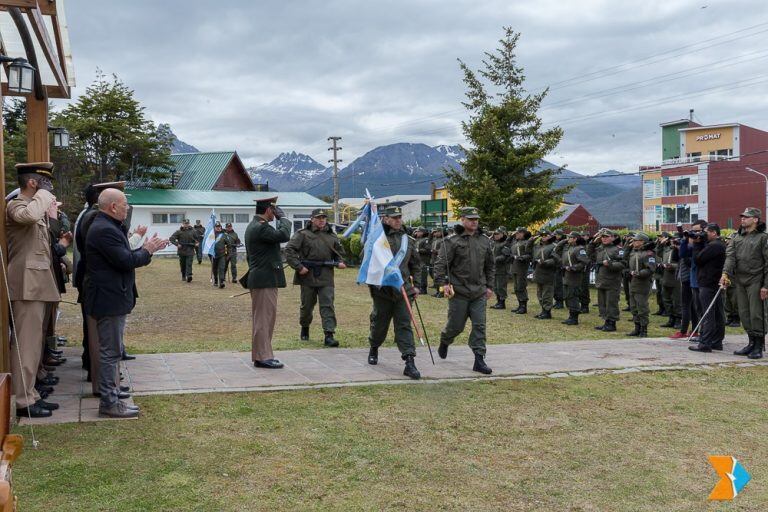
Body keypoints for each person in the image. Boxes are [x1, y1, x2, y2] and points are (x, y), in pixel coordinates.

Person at [85, 188, 167, 418]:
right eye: (124, 205)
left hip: (110, 297)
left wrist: (144, 249)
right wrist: (148, 250)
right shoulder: (104, 230)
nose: (127, 209)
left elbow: (123, 256)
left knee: (112, 351)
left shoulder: (107, 226)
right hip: (108, 299)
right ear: (113, 207)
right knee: (110, 353)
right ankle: (109, 403)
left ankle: (112, 399)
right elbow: (125, 260)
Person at [5, 163, 66, 418]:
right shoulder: (16, 205)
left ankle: (31, 393)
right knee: (26, 346)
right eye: (45, 184)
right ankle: (23, 400)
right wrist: (43, 196)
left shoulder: (35, 208)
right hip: (26, 286)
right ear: (33, 183)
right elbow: (28, 217)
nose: (50, 190)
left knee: (34, 346)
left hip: (37, 285)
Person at [434, 207, 494, 374]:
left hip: (479, 291)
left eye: (476, 219)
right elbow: (440, 265)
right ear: (462, 220)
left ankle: (479, 359)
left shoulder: (484, 240)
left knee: (479, 325)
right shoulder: (451, 241)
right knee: (456, 326)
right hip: (459, 291)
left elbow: (490, 265)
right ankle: (445, 340)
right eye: (470, 219)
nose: (474, 221)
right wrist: (443, 284)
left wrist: (490, 286)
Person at [366, 206, 422, 379]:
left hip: (403, 290)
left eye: (399, 217)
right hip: (382, 290)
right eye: (394, 217)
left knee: (404, 324)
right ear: (386, 219)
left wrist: (417, 285)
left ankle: (409, 361)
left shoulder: (409, 240)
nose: (398, 220)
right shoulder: (377, 239)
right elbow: (367, 261)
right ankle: (374, 347)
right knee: (379, 324)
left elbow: (416, 265)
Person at [284, 208, 347, 347]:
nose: (322, 220)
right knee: (307, 306)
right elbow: (289, 250)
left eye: (324, 217)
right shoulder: (302, 234)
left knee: (327, 305)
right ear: (312, 219)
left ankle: (329, 335)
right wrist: (299, 267)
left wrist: (340, 262)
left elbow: (340, 253)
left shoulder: (332, 236)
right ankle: (305, 327)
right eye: (318, 218)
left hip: (326, 275)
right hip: (308, 274)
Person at [244, 197, 292, 368]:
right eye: (275, 210)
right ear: (269, 210)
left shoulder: (255, 226)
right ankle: (262, 356)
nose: (276, 213)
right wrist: (284, 219)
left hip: (263, 278)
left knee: (265, 318)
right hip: (264, 279)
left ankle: (263, 354)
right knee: (264, 320)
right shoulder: (260, 227)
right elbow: (284, 235)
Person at [721, 207, 768, 359]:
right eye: (742, 216)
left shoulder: (763, 237)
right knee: (744, 313)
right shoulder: (737, 237)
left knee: (756, 313)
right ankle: (751, 342)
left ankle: (759, 345)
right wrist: (725, 273)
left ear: (755, 219)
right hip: (739, 279)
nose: (742, 219)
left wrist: (766, 285)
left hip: (756, 279)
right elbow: (730, 256)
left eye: (747, 217)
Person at [690, 224, 726, 352]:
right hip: (712, 282)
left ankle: (705, 343)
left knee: (708, 313)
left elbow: (698, 259)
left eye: (706, 232)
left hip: (708, 283)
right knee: (716, 312)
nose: (703, 235)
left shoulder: (715, 246)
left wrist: (697, 244)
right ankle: (716, 341)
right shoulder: (717, 245)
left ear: (714, 233)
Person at [593, 229, 625, 332]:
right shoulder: (600, 248)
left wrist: (610, 264)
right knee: (602, 303)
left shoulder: (617, 249)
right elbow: (590, 255)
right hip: (601, 279)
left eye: (607, 236)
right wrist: (593, 242)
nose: (604, 238)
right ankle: (606, 322)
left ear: (612, 237)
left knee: (611, 303)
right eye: (603, 237)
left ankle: (612, 323)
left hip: (612, 281)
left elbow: (623, 264)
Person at [626, 232, 657, 337]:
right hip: (633, 283)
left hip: (642, 283)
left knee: (642, 307)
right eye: (633, 240)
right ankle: (637, 327)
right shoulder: (634, 252)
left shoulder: (648, 254)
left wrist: (638, 273)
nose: (633, 242)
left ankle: (644, 329)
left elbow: (650, 269)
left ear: (642, 242)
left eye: (635, 240)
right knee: (634, 307)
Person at [560, 232, 590, 326]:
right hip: (567, 275)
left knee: (573, 295)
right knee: (567, 295)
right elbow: (557, 250)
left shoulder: (579, 249)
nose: (568, 239)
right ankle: (571, 315)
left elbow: (585, 262)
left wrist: (574, 267)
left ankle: (574, 317)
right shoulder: (569, 248)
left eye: (570, 237)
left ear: (575, 238)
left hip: (574, 276)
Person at [531, 229, 558, 320]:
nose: (544, 237)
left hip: (548, 273)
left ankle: (547, 312)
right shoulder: (538, 246)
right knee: (540, 293)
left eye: (546, 235)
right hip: (539, 272)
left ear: (551, 236)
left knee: (547, 293)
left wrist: (546, 262)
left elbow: (555, 259)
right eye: (542, 236)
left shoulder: (554, 246)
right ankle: (543, 310)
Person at [658, 232, 681, 329]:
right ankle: (671, 318)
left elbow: (683, 264)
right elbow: (658, 253)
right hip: (666, 277)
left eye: (675, 240)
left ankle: (678, 320)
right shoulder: (667, 249)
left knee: (677, 301)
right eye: (672, 239)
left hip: (676, 279)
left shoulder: (680, 250)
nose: (673, 241)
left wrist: (672, 266)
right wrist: (661, 244)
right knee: (666, 299)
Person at [507, 226, 533, 314]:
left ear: (523, 233)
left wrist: (521, 257)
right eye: (516, 233)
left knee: (521, 286)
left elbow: (530, 254)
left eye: (518, 233)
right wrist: (511, 236)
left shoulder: (526, 242)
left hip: (522, 267)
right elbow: (507, 244)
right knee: (516, 287)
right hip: (514, 266)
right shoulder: (515, 242)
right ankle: (519, 304)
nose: (516, 234)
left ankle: (523, 306)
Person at [490, 227, 509, 309]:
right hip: (494, 269)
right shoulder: (493, 243)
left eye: (498, 234)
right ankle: (498, 301)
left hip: (502, 269)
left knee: (501, 286)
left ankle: (502, 302)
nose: (496, 236)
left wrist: (495, 259)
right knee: (495, 287)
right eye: (495, 234)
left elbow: (505, 256)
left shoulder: (505, 243)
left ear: (502, 234)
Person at [210, 222, 231, 288]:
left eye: (219, 227)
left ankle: (221, 281)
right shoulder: (212, 235)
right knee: (215, 268)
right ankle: (216, 280)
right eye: (217, 227)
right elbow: (209, 245)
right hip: (214, 255)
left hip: (222, 254)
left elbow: (229, 245)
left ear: (221, 227)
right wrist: (210, 254)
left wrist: (228, 254)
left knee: (221, 268)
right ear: (215, 228)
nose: (218, 228)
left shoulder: (224, 235)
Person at [552, 229, 567, 309]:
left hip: (560, 265)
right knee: (554, 284)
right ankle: (557, 300)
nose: (555, 236)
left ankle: (560, 301)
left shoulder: (565, 243)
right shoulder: (554, 241)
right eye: (555, 234)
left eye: (557, 234)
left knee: (559, 284)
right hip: (554, 265)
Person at [414, 227, 432, 294]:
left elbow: (428, 250)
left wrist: (419, 250)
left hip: (423, 260)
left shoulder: (426, 240)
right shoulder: (418, 239)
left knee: (423, 275)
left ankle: (423, 289)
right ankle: (419, 287)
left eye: (418, 231)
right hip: (418, 260)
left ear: (422, 232)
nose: (417, 233)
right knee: (419, 275)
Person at [430, 228, 446, 297]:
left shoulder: (444, 240)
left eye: (438, 232)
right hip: (434, 260)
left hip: (440, 261)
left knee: (440, 277)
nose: (436, 233)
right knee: (435, 277)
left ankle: (441, 292)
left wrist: (436, 251)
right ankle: (437, 291)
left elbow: (444, 251)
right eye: (436, 232)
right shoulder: (435, 240)